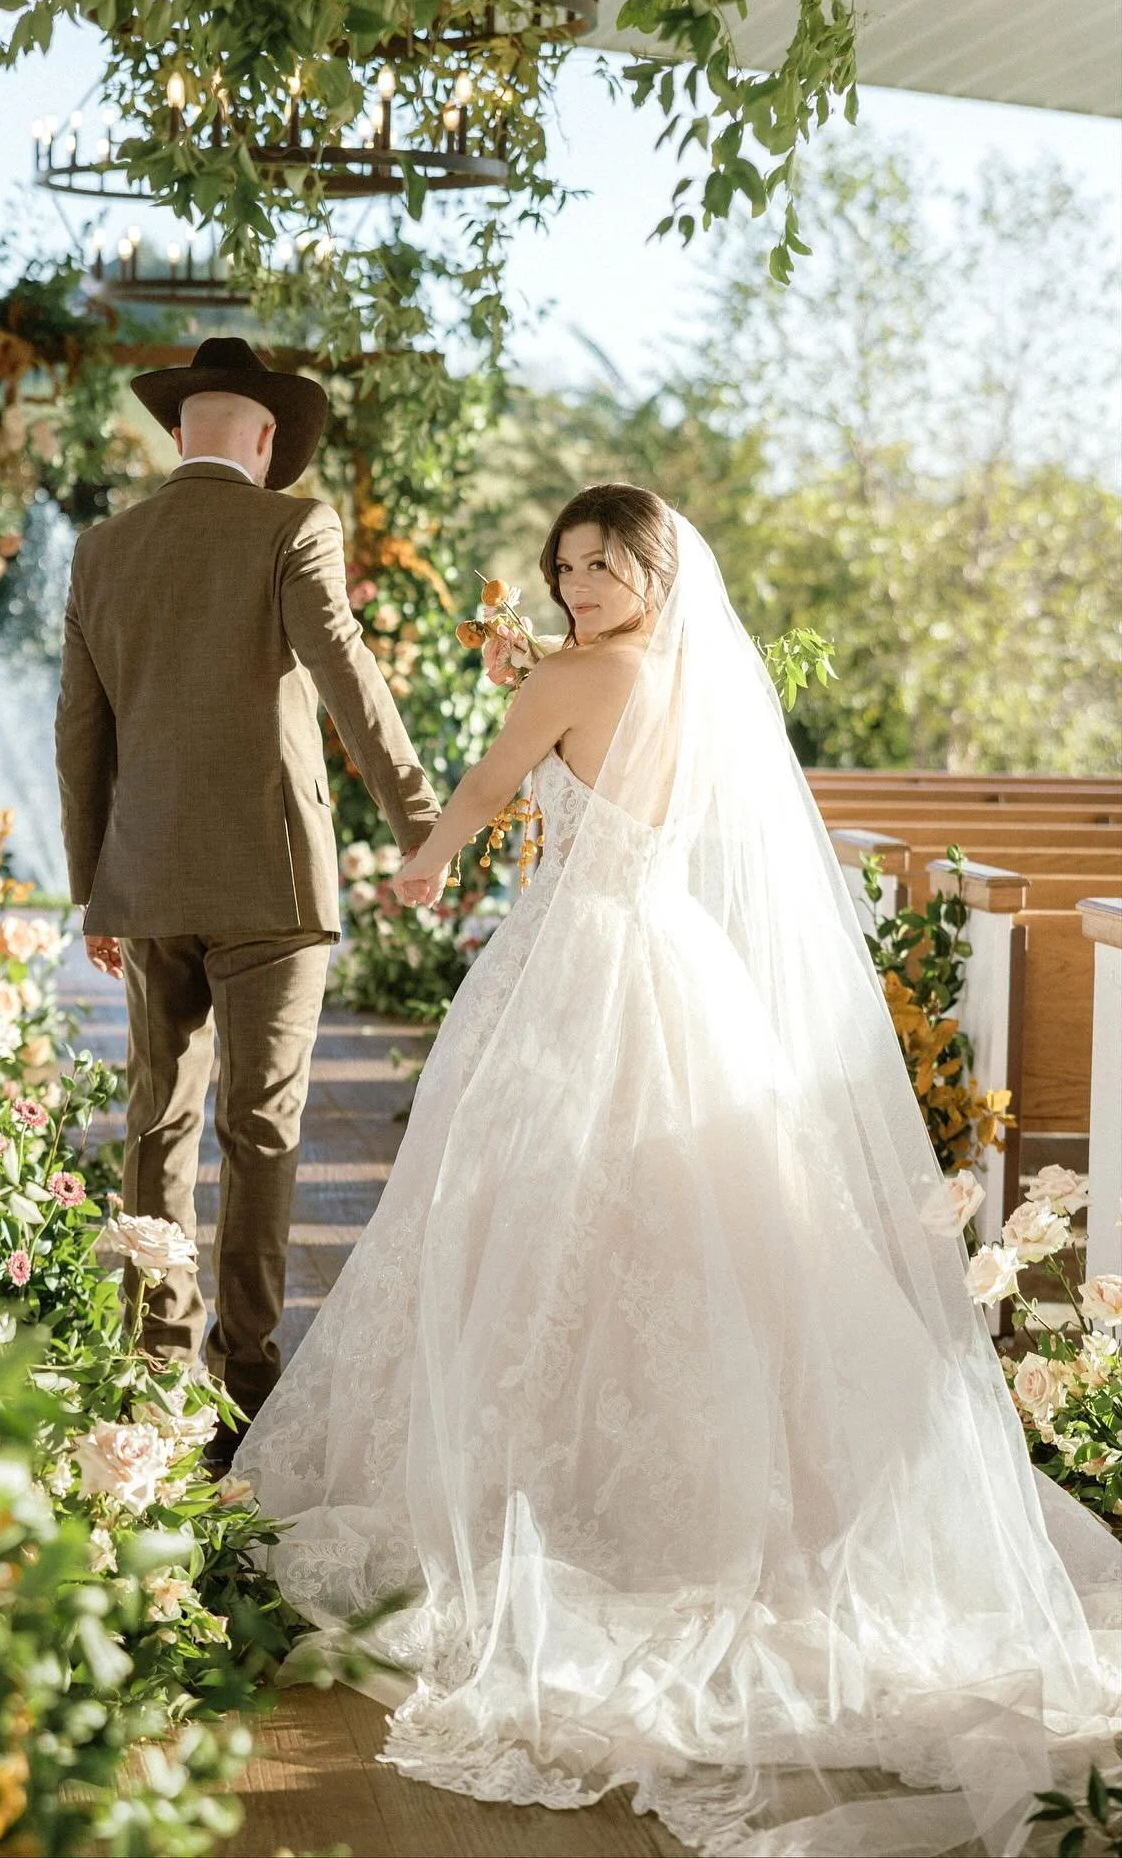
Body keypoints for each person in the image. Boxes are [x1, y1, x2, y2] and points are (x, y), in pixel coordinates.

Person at [234, 485, 1121, 1856]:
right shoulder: (695, 680)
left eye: (602, 564)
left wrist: (424, 866)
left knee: (532, 1201)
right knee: (684, 1219)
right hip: (678, 965)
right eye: (565, 567)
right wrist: (546, 674)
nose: (578, 587)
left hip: (574, 963)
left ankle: (553, 1480)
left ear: (655, 568)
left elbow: (489, 787)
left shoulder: (576, 676)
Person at [54, 336, 441, 1472]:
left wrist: (94, 890)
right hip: (272, 879)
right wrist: (420, 822)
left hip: (147, 877)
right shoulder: (293, 527)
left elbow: (80, 737)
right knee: (260, 1127)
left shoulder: (102, 549)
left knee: (157, 1122)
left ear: (180, 432)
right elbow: (346, 675)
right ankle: (250, 1385)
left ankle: (154, 1366)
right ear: (266, 438)